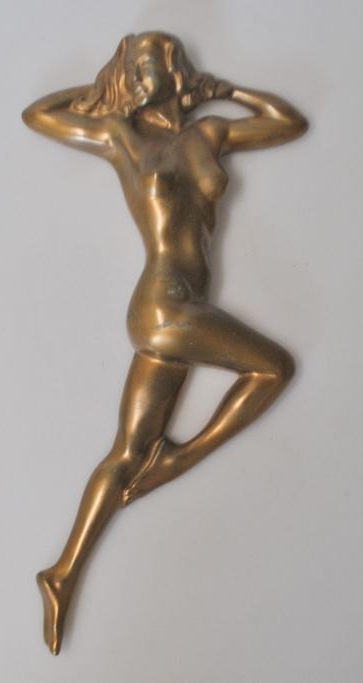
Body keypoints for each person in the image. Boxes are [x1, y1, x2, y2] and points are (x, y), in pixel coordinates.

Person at [22, 31, 308, 655]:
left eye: (152, 62)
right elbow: (38, 114)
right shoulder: (122, 138)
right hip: (163, 305)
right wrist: (105, 91)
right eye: (134, 66)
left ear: (178, 72)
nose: (143, 73)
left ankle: (62, 572)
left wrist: (227, 89)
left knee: (127, 454)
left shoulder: (209, 134)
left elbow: (289, 122)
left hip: (184, 313)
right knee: (274, 369)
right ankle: (182, 459)